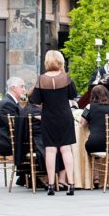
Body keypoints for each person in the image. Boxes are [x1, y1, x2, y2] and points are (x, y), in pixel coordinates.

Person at [28, 50, 78, 196]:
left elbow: (35, 100)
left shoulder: (41, 79)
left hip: (48, 117)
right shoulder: (66, 78)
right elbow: (73, 94)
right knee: (66, 149)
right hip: (65, 116)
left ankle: (51, 185)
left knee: (50, 150)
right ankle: (71, 184)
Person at [81, 84, 109, 157]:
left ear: (92, 95)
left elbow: (82, 124)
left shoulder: (89, 106)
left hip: (94, 144)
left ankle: (89, 168)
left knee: (82, 146)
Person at [0, 76, 26, 157]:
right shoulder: (7, 104)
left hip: (11, 140)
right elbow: (15, 127)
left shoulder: (10, 102)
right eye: (22, 86)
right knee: (40, 143)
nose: (24, 89)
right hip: (8, 144)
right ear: (13, 88)